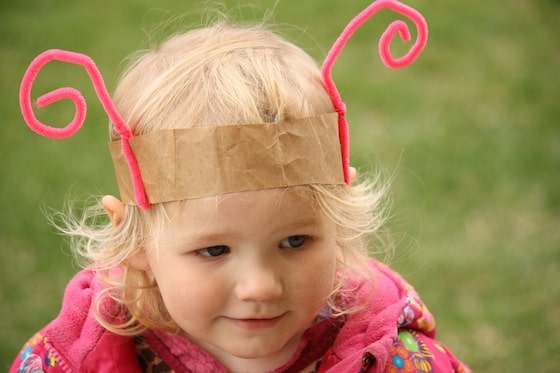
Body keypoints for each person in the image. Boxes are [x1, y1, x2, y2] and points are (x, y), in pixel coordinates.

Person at [12, 1, 470, 372]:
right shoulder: (78, 359)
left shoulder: (391, 359)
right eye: (214, 251)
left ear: (340, 217)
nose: (259, 287)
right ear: (135, 244)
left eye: (295, 240)